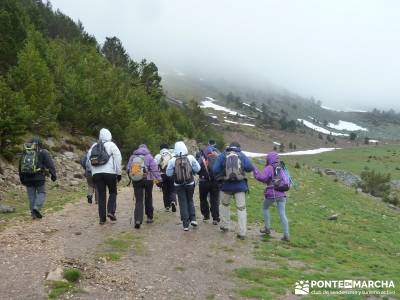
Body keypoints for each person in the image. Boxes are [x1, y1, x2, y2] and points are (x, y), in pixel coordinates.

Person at [213, 142, 254, 239]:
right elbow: (250, 167)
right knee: (241, 209)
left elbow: (215, 169)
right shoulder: (241, 155)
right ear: (238, 147)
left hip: (226, 186)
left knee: (224, 205)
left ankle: (225, 225)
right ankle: (242, 232)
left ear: (229, 146)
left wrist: (223, 173)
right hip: (240, 186)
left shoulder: (223, 155)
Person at [87, 128, 122, 225]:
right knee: (113, 192)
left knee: (101, 195)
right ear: (109, 136)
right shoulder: (112, 145)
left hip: (96, 174)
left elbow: (88, 160)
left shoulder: (94, 146)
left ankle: (102, 219)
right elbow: (118, 158)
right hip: (110, 173)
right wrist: (118, 173)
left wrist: (93, 172)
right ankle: (111, 211)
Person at [253, 152, 290, 241]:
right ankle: (286, 235)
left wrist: (254, 169)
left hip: (272, 193)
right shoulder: (282, 167)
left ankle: (267, 228)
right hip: (282, 194)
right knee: (282, 214)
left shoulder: (270, 167)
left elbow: (261, 177)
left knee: (265, 207)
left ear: (269, 159)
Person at [19, 137, 57, 219]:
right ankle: (36, 207)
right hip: (39, 177)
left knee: (31, 196)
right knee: (41, 193)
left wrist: (22, 178)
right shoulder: (43, 152)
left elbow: (20, 166)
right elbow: (50, 164)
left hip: (27, 178)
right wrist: (53, 174)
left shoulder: (25, 152)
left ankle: (33, 214)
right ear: (40, 144)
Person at [166, 141, 201, 231]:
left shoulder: (172, 160)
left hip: (178, 184)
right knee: (190, 200)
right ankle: (193, 219)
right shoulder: (190, 157)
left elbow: (168, 174)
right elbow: (198, 168)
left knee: (182, 203)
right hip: (190, 183)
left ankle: (185, 224)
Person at [127, 144, 161, 229]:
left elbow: (128, 169)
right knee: (148, 197)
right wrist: (159, 178)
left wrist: (131, 177)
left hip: (137, 180)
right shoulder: (149, 156)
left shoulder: (132, 157)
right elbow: (154, 169)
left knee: (138, 200)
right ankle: (149, 217)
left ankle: (138, 219)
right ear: (146, 149)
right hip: (148, 179)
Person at [197, 145, 220, 225]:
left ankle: (206, 216)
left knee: (203, 199)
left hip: (203, 182)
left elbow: (197, 169)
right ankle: (216, 218)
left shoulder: (202, 158)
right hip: (215, 182)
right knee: (214, 200)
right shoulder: (217, 158)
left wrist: (201, 174)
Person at [154, 143, 177, 212]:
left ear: (160, 148)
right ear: (167, 148)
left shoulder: (158, 156)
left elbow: (154, 165)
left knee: (165, 191)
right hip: (171, 174)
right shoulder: (171, 155)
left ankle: (167, 206)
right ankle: (173, 201)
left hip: (162, 175)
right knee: (172, 189)